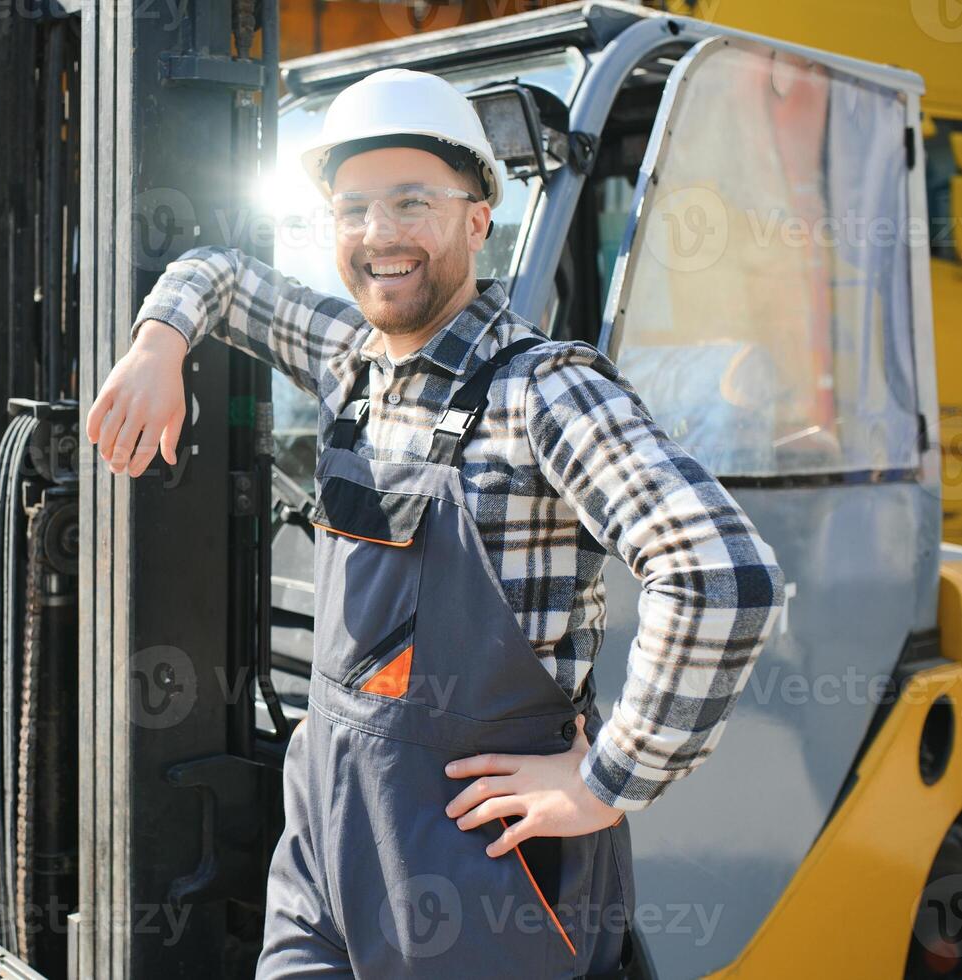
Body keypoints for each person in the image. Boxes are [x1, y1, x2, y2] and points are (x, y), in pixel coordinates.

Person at [85, 67, 786, 979]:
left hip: (479, 869)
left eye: (411, 202)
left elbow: (722, 577)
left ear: (475, 221)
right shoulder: (350, 360)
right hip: (328, 842)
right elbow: (215, 272)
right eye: (351, 208)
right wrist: (157, 343)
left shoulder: (543, 389)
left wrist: (609, 779)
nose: (378, 234)